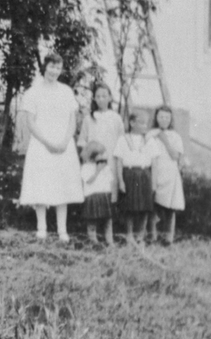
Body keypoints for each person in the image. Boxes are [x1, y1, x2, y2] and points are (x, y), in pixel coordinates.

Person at [17, 53, 83, 243]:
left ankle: (63, 230)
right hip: (41, 145)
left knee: (62, 185)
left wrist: (64, 141)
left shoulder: (66, 91)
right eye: (51, 66)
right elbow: (30, 122)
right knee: (41, 184)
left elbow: (72, 119)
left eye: (58, 67)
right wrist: (47, 143)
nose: (54, 71)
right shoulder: (33, 92)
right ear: (44, 67)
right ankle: (42, 228)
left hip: (64, 145)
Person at [78, 83, 123, 245]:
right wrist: (89, 157)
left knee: (108, 198)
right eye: (98, 96)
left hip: (109, 162)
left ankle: (109, 236)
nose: (101, 99)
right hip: (92, 162)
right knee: (94, 197)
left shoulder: (116, 118)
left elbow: (121, 141)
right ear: (94, 98)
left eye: (105, 95)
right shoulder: (89, 119)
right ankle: (92, 236)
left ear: (110, 97)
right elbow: (82, 141)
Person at [114, 111, 161, 246]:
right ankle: (129, 235)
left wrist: (154, 182)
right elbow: (119, 161)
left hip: (144, 174)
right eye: (141, 122)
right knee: (130, 206)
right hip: (129, 173)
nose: (144, 126)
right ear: (132, 123)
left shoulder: (149, 140)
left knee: (145, 206)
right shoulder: (123, 139)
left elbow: (154, 163)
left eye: (146, 123)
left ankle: (141, 234)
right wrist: (121, 181)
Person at [146, 105, 185, 245]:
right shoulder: (151, 134)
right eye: (161, 116)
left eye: (167, 117)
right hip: (156, 171)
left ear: (171, 119)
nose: (164, 120)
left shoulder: (175, 136)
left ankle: (168, 238)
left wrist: (165, 140)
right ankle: (153, 236)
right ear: (156, 117)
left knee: (170, 208)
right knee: (153, 206)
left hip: (170, 172)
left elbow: (175, 156)